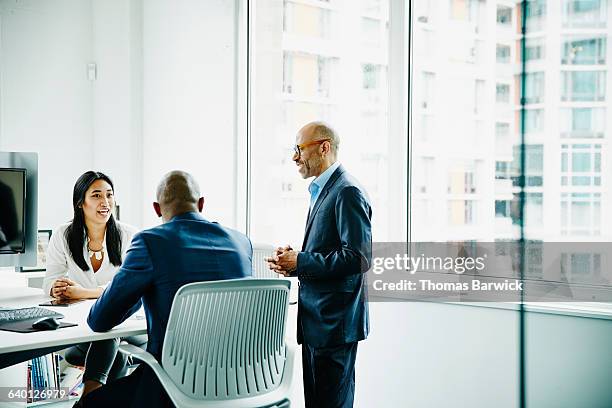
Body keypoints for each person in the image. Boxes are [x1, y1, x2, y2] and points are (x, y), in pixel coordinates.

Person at [81, 170, 253, 408]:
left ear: (157, 209)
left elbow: (99, 320)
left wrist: (141, 288)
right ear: (201, 204)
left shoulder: (150, 242)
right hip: (240, 383)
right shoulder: (241, 242)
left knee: (89, 402)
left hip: (170, 387)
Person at [267, 122, 372, 408]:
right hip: (318, 323)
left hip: (334, 325)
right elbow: (331, 251)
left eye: (299, 148)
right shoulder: (324, 190)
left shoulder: (347, 191)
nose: (295, 157)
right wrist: (294, 261)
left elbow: (358, 258)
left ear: (324, 147)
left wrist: (301, 261)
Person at [42, 171, 141, 400]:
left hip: (128, 328)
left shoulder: (131, 236)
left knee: (108, 326)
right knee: (116, 355)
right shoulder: (63, 234)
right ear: (80, 203)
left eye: (109, 195)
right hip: (85, 330)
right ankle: (98, 401)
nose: (105, 202)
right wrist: (56, 287)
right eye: (96, 195)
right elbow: (49, 279)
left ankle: (89, 396)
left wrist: (81, 292)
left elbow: (127, 291)